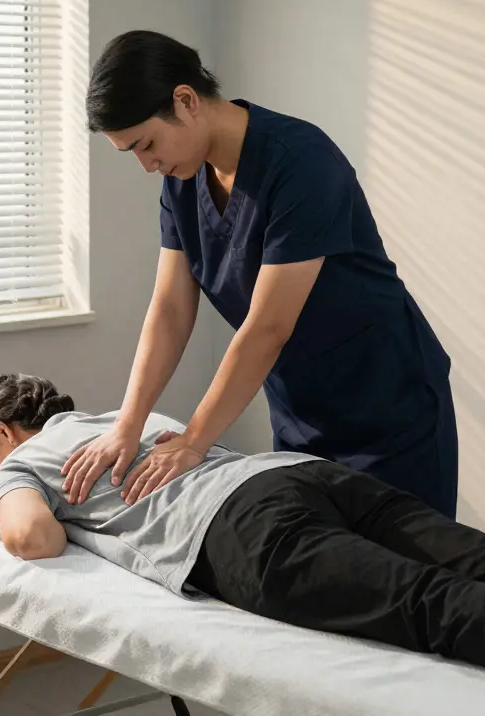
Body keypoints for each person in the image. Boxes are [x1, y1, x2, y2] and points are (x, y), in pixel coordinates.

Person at [0, 373, 485, 716]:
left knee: (431, 603)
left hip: (244, 533)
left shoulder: (27, 461)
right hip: (303, 475)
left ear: (1, 434)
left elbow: (31, 538)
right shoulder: (132, 419)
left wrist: (6, 496)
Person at [63, 30, 459, 518]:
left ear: (185, 101)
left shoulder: (301, 161)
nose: (148, 165)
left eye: (146, 145)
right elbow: (168, 310)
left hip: (388, 405)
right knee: (325, 574)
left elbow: (269, 326)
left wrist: (193, 442)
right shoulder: (183, 181)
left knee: (417, 576)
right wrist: (127, 424)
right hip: (301, 410)